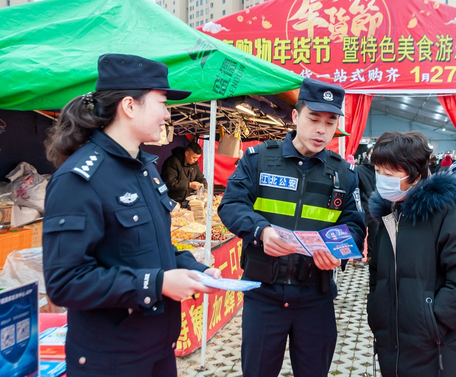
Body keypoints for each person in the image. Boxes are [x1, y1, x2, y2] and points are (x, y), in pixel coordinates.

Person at [43, 54, 221, 377]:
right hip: (112, 361)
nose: (167, 114)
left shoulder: (145, 170)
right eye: (162, 103)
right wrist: (157, 283)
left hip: (158, 350)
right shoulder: (79, 179)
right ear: (129, 106)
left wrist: (196, 270)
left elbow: (155, 248)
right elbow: (65, 282)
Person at [218, 78, 366, 377]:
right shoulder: (258, 160)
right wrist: (261, 230)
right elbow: (231, 205)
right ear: (296, 116)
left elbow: (355, 225)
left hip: (315, 297)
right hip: (264, 295)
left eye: (330, 122)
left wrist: (336, 251)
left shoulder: (344, 174)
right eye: (314, 119)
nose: (321, 130)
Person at [367, 131, 456, 376]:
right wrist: (377, 309)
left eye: (389, 175)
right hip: (394, 343)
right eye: (378, 172)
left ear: (415, 175)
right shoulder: (389, 216)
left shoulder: (449, 215)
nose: (381, 181)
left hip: (438, 350)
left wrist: (432, 322)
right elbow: (377, 272)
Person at [161, 140, 208, 207]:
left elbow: (201, 179)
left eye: (197, 158)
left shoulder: (194, 164)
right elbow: (170, 183)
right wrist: (189, 185)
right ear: (187, 153)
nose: (195, 160)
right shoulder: (172, 162)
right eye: (194, 157)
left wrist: (205, 191)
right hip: (172, 201)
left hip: (187, 202)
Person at [356, 148, 378, 267]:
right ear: (367, 155)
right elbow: (356, 188)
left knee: (375, 233)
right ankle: (357, 257)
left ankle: (371, 256)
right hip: (362, 206)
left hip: (377, 206)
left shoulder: (381, 170)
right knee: (360, 232)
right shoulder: (360, 170)